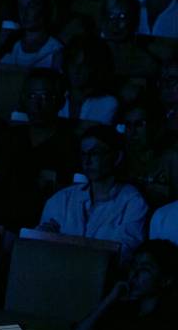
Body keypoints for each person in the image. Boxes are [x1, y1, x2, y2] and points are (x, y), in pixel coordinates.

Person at [37, 125, 149, 261]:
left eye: (95, 153)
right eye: (84, 154)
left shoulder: (133, 202)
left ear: (117, 157)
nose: (87, 161)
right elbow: (40, 245)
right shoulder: (62, 199)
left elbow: (124, 253)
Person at [13, 68, 80, 186]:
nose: (37, 105)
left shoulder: (72, 146)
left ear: (61, 102)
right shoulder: (10, 138)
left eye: (45, 97)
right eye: (32, 96)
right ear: (23, 98)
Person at [119, 98, 178, 207]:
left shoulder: (172, 158)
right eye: (128, 125)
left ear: (154, 126)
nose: (132, 132)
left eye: (139, 124)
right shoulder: (119, 156)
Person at [57, 35, 119, 124]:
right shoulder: (57, 98)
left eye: (84, 65)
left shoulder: (107, 103)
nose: (77, 70)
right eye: (73, 63)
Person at [0, 0, 63, 69]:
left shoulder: (54, 50)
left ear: (44, 8)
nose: (24, 12)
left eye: (31, 6)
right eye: (20, 6)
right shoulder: (13, 46)